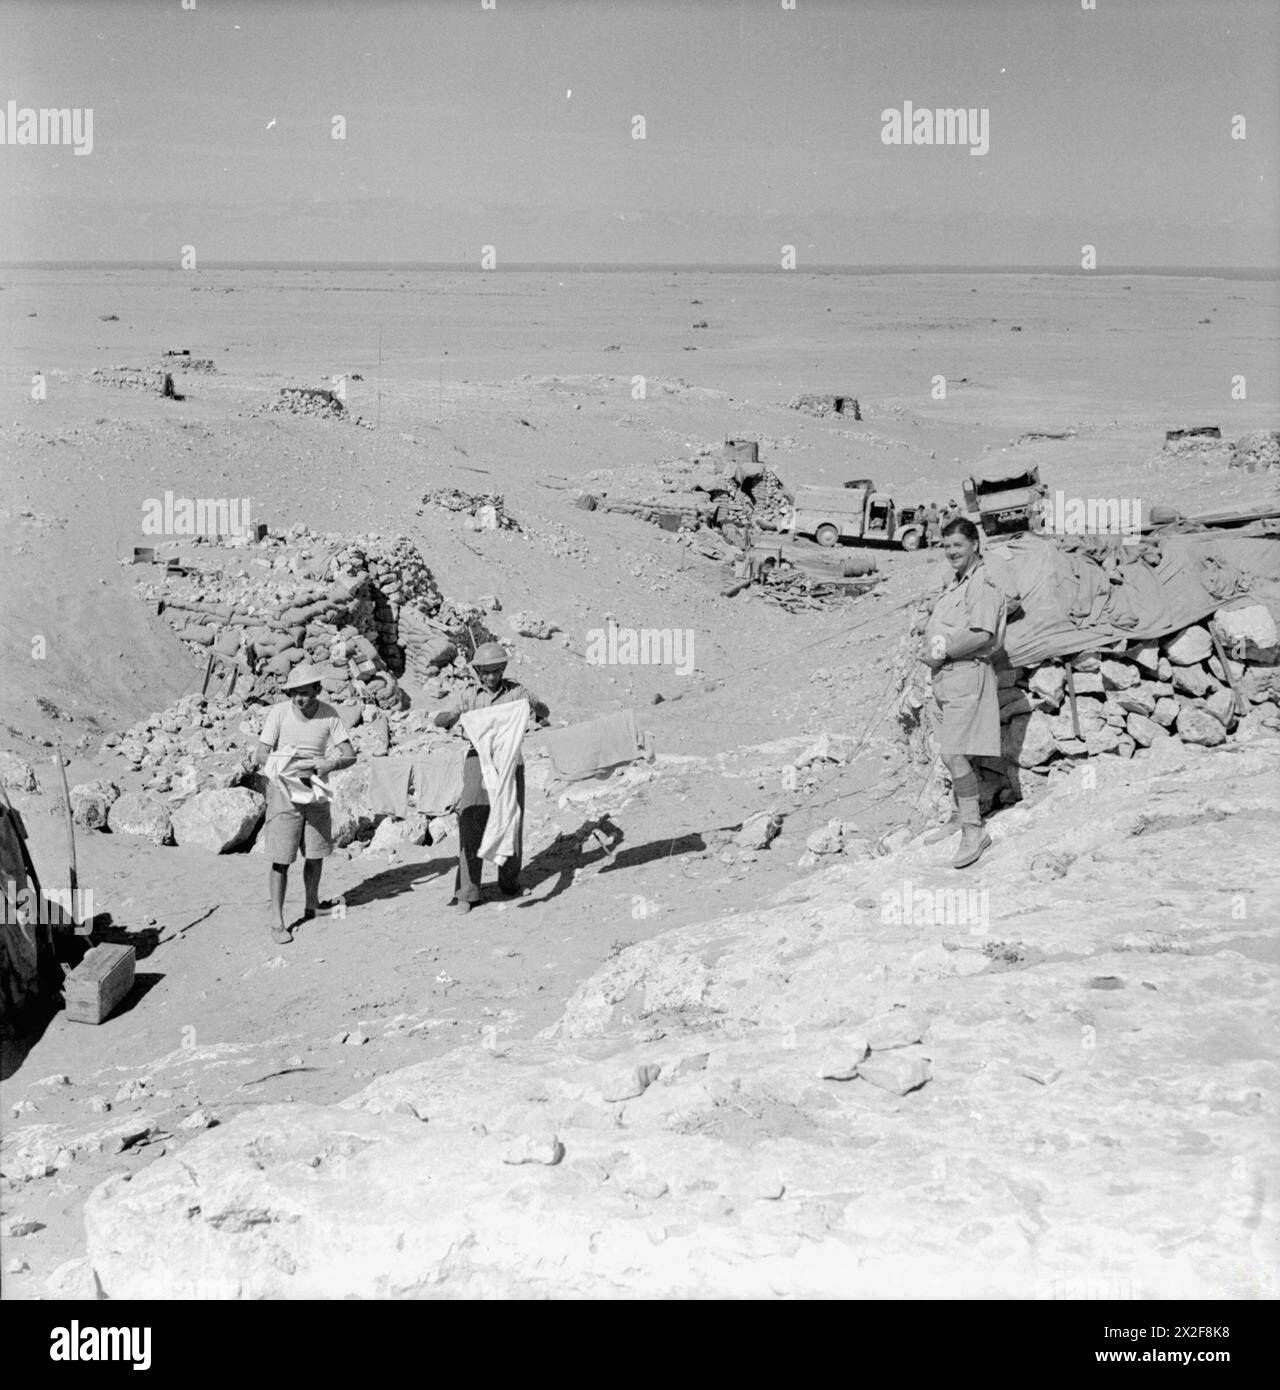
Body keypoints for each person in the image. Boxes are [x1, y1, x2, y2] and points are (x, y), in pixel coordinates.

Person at [433, 642, 549, 912]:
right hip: (478, 758)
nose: (491, 677)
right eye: (485, 672)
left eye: (496, 670)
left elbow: (545, 714)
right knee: (471, 817)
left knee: (511, 817)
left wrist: (535, 705)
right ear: (476, 671)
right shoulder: (468, 695)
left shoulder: (518, 691)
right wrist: (452, 715)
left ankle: (509, 881)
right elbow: (438, 721)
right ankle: (467, 892)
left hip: (510, 759)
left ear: (504, 668)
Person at [918, 517, 1007, 868]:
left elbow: (983, 634)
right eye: (946, 546)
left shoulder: (982, 584)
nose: (951, 552)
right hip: (946, 679)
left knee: (955, 754)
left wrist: (939, 651)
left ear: (974, 545)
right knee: (949, 753)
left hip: (967, 675)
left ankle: (974, 828)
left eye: (957, 545)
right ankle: (958, 813)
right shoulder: (957, 583)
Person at [246, 663, 356, 944]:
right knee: (281, 858)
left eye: (304, 693)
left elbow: (349, 754)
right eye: (293, 693)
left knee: (316, 853)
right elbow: (261, 754)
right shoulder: (279, 713)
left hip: (316, 788)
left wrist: (330, 763)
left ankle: (313, 904)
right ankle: (277, 921)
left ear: (318, 690)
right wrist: (287, 763)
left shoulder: (329, 715)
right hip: (284, 788)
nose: (298, 699)